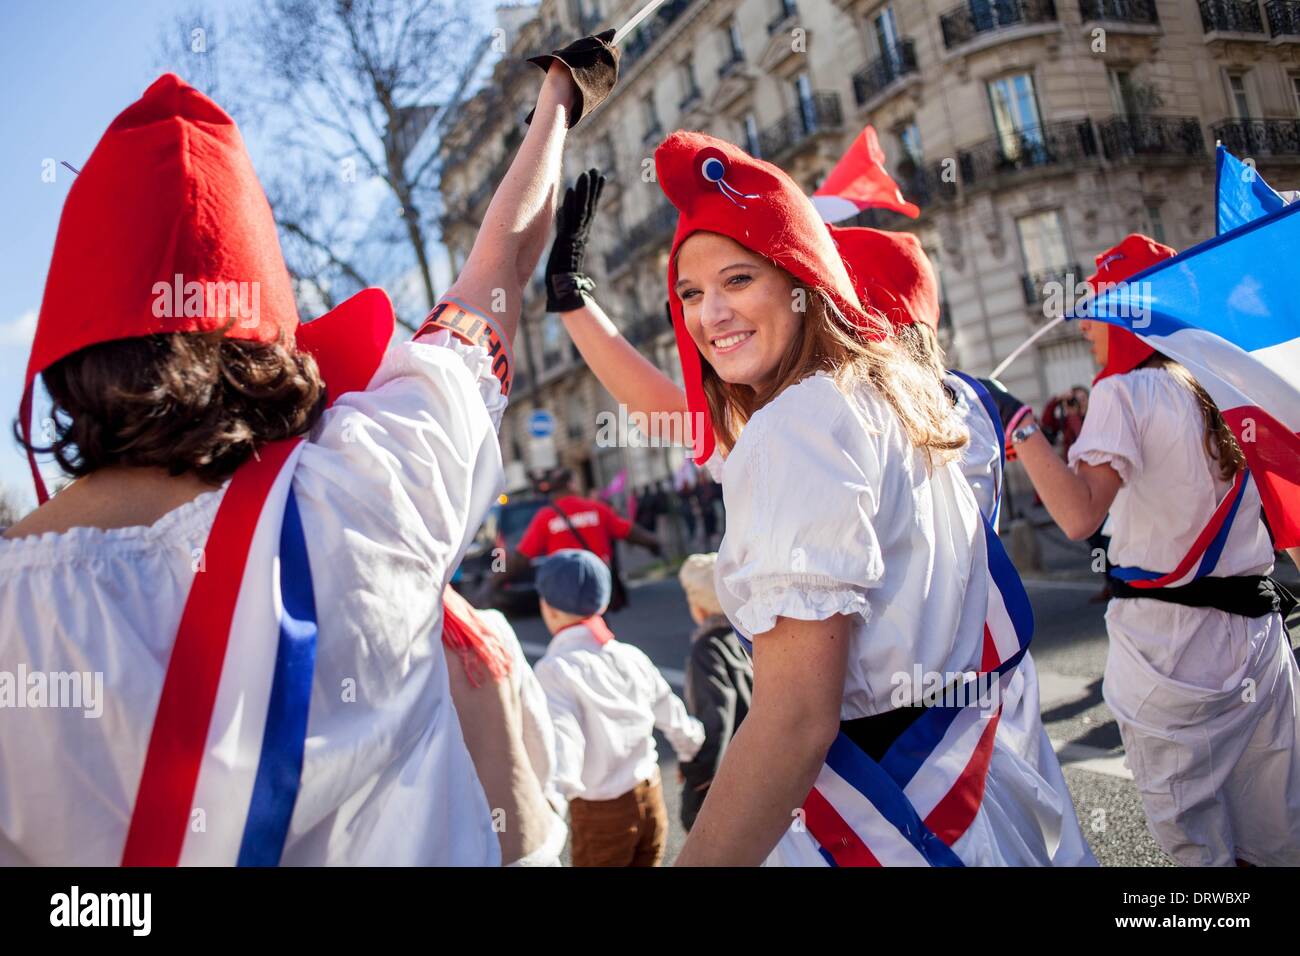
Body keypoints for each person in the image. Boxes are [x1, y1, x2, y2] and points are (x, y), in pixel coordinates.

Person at [0, 28, 620, 866]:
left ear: (66, 354)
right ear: (273, 344)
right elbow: (502, 258)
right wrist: (561, 97)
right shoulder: (383, 479)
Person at [541, 138, 1084, 866]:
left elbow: (794, 723)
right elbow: (678, 417)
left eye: (739, 278)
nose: (708, 315)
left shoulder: (799, 426)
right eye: (692, 293)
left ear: (803, 280)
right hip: (974, 802)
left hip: (882, 823)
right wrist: (574, 306)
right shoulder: (893, 402)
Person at [1011, 234, 1300, 866]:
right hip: (1260, 651)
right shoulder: (1230, 387)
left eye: (1099, 311)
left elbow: (1081, 515)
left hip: (1170, 659)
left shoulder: (1125, 395)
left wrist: (1021, 430)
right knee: (1279, 838)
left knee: (1200, 854)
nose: (1088, 328)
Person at [533, 549, 704, 866]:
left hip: (601, 811)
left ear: (549, 609)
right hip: (650, 798)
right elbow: (671, 712)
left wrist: (550, 806)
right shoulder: (630, 655)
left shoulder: (554, 670)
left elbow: (564, 744)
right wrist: (689, 748)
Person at [441, 586, 567, 866]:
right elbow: (537, 730)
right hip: (526, 837)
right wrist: (545, 797)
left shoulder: (387, 653)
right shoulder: (489, 626)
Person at [676, 553, 752, 832]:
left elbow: (715, 720)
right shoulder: (746, 636)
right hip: (755, 764)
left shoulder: (707, 650)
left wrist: (698, 777)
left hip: (728, 774)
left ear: (699, 608)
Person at [513, 467, 660, 611]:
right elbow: (629, 531)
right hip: (596, 581)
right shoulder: (595, 508)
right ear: (571, 484)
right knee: (598, 625)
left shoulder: (545, 518)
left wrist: (495, 582)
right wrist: (654, 543)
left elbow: (522, 556)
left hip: (565, 586)